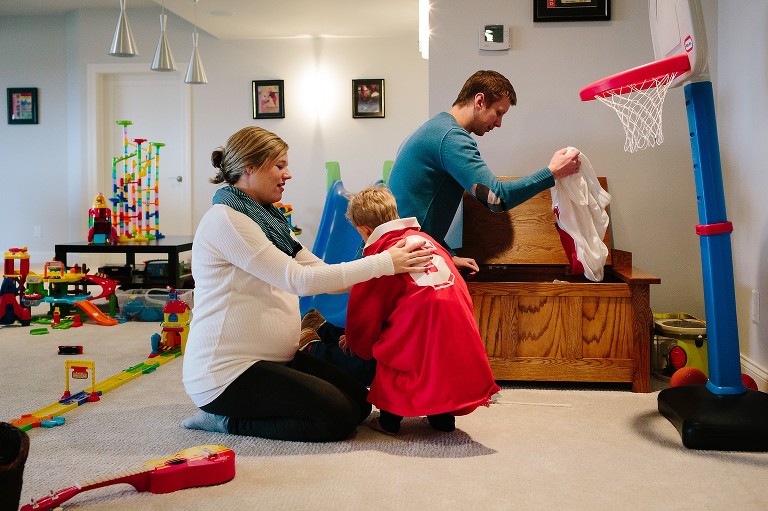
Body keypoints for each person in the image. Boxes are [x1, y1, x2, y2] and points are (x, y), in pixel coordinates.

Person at [180, 126, 434, 443]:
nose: (288, 174)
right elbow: (299, 280)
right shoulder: (227, 220)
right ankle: (223, 420)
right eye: (280, 165)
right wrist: (386, 262)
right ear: (250, 167)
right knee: (336, 420)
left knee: (360, 404)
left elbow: (325, 275)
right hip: (227, 373)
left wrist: (392, 273)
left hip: (273, 359)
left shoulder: (269, 220)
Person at [339, 185, 501, 435]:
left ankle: (389, 421)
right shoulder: (428, 241)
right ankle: (442, 420)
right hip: (457, 326)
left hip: (416, 328)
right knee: (439, 367)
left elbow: (367, 308)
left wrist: (357, 338)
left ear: (365, 230)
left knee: (394, 357)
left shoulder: (382, 256)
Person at [388, 69, 582, 275]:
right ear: (479, 100)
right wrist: (551, 173)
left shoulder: (436, 128)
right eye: (498, 113)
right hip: (397, 262)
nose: (499, 123)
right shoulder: (451, 137)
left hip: (397, 252)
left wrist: (448, 254)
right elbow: (496, 198)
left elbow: (418, 212)